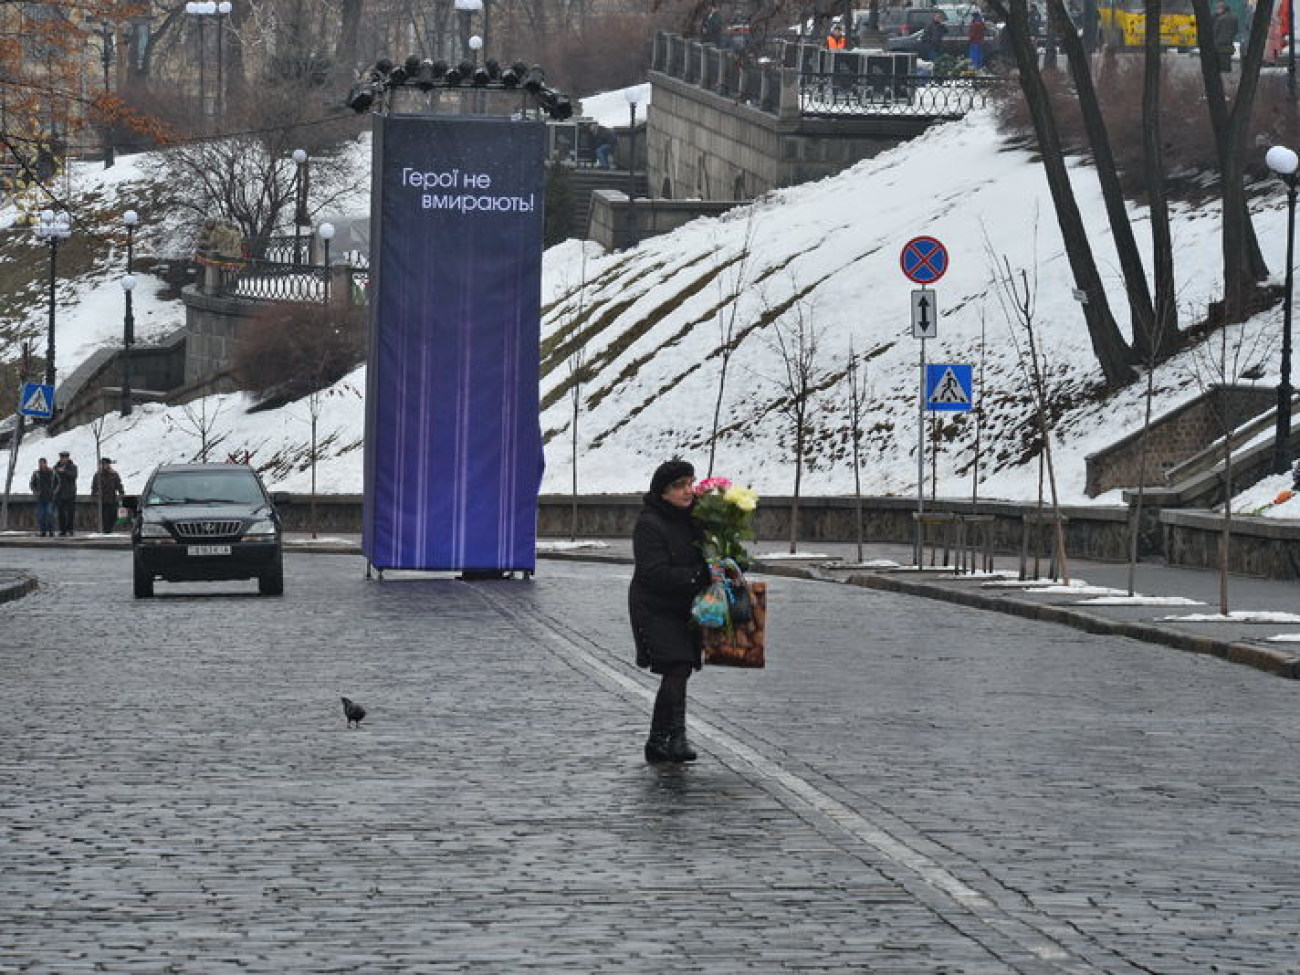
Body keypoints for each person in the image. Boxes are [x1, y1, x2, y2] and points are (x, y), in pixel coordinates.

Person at [628, 459, 710, 764]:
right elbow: (654, 574)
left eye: (690, 483)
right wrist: (697, 575)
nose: (688, 491)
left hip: (684, 606)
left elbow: (709, 554)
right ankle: (662, 739)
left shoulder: (693, 519)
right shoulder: (649, 524)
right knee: (677, 666)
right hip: (654, 606)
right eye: (680, 486)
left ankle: (673, 739)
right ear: (663, 492)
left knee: (683, 668)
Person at [91, 457, 125, 534]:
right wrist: (94, 493)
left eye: (105, 464)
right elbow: (94, 485)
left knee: (113, 515)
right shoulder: (98, 475)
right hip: (102, 499)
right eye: (102, 464)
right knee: (105, 516)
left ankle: (110, 529)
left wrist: (121, 492)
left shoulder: (114, 474)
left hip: (112, 498)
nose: (103, 466)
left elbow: (118, 484)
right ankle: (106, 530)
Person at [29, 457, 57, 537]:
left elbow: (57, 483)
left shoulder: (52, 473)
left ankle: (51, 531)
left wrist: (54, 492)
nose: (41, 465)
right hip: (40, 497)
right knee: (41, 515)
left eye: (42, 463)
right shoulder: (36, 473)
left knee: (49, 514)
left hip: (50, 497)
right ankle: (43, 531)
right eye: (40, 463)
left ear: (46, 463)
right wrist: (35, 492)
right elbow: (32, 484)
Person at [53, 450, 78, 536]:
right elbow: (53, 479)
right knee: (61, 513)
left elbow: (73, 476)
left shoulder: (72, 467)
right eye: (62, 458)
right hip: (59, 493)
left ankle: (70, 529)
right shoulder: (56, 467)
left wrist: (64, 472)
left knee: (70, 512)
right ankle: (62, 530)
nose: (63, 459)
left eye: (65, 458)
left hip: (70, 493)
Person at [1214, 2, 1239, 72]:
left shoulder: (1220, 19)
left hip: (1220, 42)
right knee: (1227, 58)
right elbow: (1236, 30)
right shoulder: (1234, 18)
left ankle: (1222, 70)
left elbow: (1215, 30)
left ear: (1223, 9)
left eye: (1218, 9)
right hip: (1229, 41)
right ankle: (1227, 69)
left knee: (1221, 58)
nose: (1217, 10)